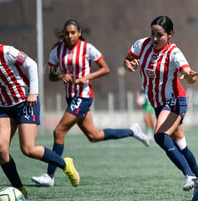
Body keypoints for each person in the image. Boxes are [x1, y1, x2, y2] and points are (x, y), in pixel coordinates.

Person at [31, 19, 149, 187]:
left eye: (73, 32)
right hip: (71, 98)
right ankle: (132, 131)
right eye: (67, 33)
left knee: (59, 131)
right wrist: (59, 76)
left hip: (84, 97)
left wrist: (86, 78)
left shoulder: (87, 49)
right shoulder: (57, 51)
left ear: (79, 33)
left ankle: (50, 176)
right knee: (94, 136)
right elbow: (50, 74)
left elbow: (105, 68)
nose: (70, 36)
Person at [124, 16, 198, 201]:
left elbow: (189, 74)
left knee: (160, 136)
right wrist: (129, 64)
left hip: (174, 101)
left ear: (170, 35)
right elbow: (129, 58)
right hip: (158, 103)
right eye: (153, 34)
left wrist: (189, 76)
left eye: (160, 35)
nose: (155, 39)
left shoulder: (174, 52)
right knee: (181, 145)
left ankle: (190, 176)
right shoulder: (142, 44)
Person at [0, 37, 80, 198]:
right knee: (0, 148)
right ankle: (19, 189)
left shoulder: (5, 51)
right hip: (6, 106)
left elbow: (31, 64)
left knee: (28, 149)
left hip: (26, 101)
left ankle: (65, 164)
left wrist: (33, 92)